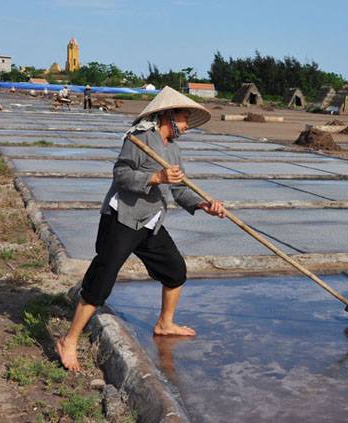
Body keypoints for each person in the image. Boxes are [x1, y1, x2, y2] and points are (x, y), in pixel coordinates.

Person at [56, 86, 224, 372]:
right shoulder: (139, 139)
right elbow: (121, 175)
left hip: (150, 221)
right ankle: (69, 340)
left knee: (175, 271)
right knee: (102, 279)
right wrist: (156, 177)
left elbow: (181, 190)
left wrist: (203, 204)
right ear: (168, 115)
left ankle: (165, 323)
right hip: (123, 217)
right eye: (184, 117)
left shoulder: (173, 149)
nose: (187, 124)